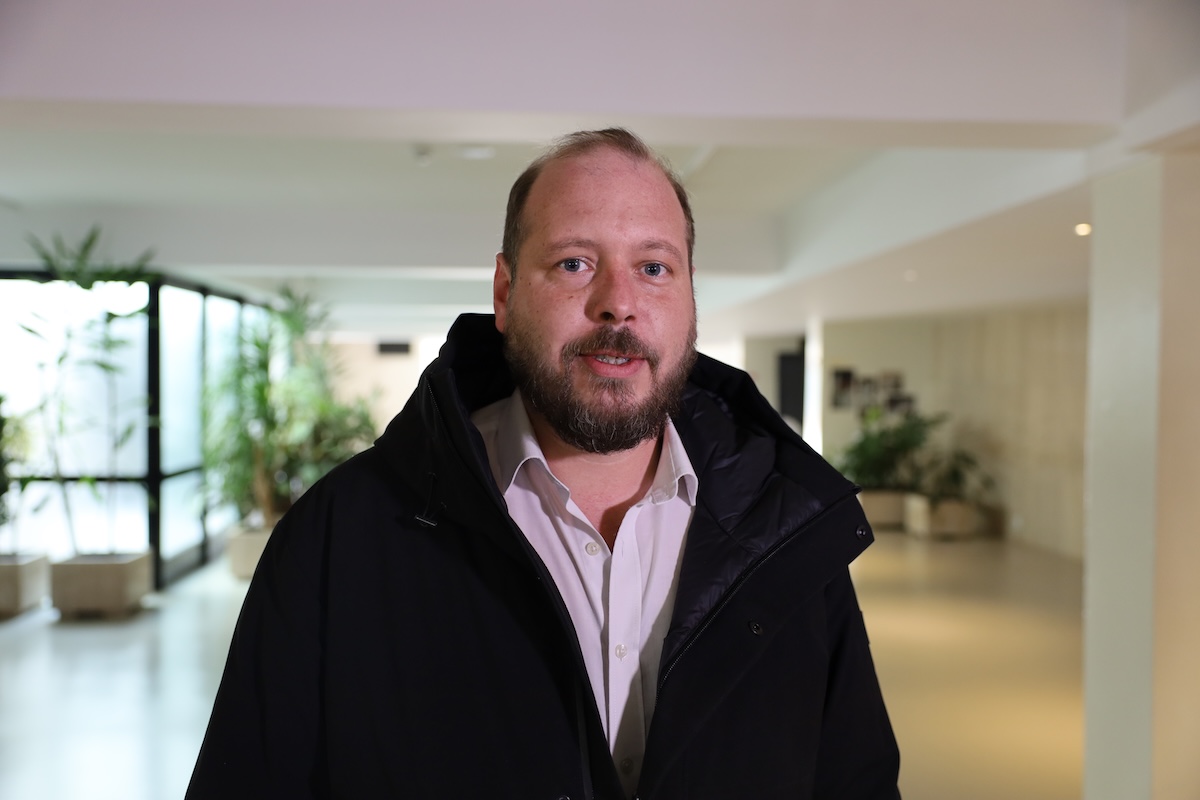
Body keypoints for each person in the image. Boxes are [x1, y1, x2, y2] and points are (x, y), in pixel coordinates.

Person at [187, 129, 901, 799]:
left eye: (654, 268)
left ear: (689, 298)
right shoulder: (339, 537)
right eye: (574, 263)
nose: (618, 304)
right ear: (505, 293)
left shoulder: (786, 529)